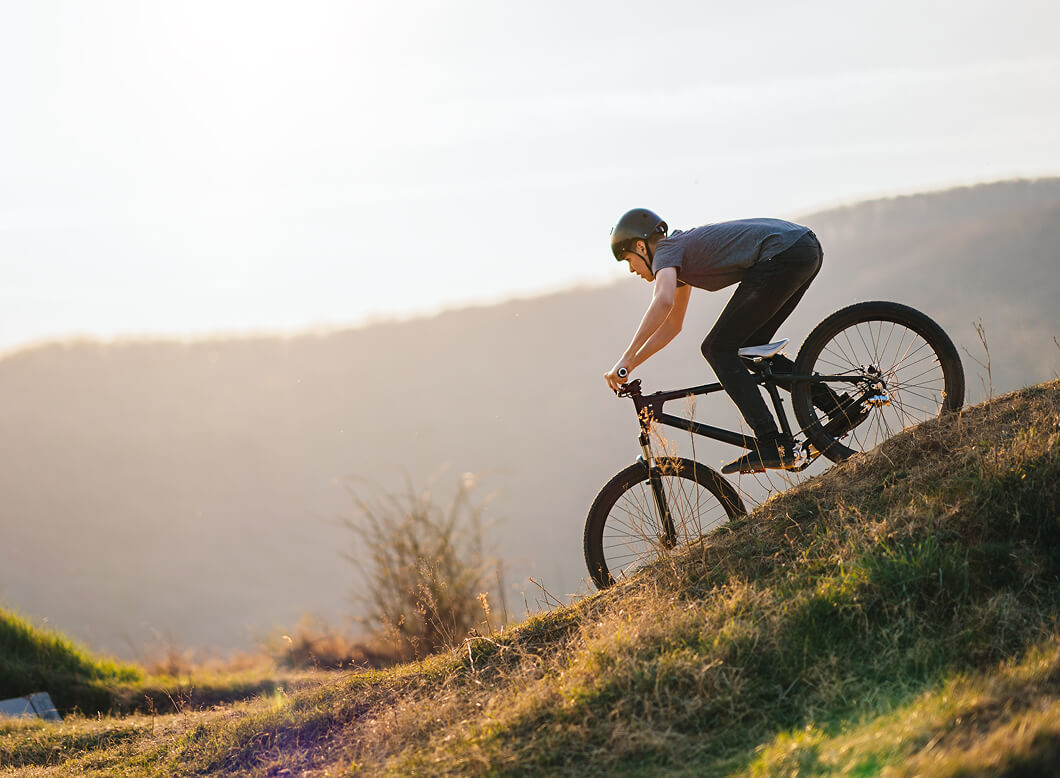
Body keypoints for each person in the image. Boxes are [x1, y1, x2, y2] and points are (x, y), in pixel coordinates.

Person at [603, 207, 843, 474]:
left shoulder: (665, 251)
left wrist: (624, 358)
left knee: (717, 349)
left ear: (641, 245)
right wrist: (630, 365)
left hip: (784, 253)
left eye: (628, 260)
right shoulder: (676, 259)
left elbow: (663, 301)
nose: (631, 270)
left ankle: (772, 443)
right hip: (801, 249)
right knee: (747, 350)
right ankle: (837, 407)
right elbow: (673, 324)